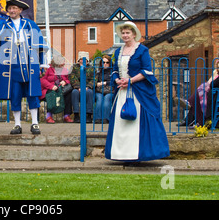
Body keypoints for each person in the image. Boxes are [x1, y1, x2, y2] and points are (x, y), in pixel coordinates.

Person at [105, 21, 170, 162]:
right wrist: (117, 80)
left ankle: (139, 154)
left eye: (128, 32)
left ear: (134, 34)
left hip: (138, 91)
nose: (125, 35)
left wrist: (130, 81)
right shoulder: (118, 52)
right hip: (122, 91)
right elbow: (115, 70)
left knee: (136, 122)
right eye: (123, 33)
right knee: (121, 121)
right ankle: (120, 154)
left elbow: (147, 71)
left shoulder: (142, 50)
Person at [0, 0, 49, 135]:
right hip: (11, 67)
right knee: (15, 94)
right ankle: (17, 124)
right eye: (9, 8)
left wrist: (42, 63)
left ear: (20, 10)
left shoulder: (30, 24)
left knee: (33, 94)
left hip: (30, 64)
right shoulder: (2, 25)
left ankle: (35, 123)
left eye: (14, 8)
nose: (11, 11)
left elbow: (40, 46)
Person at [173, 59, 219, 127]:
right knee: (197, 98)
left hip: (214, 93)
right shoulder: (215, 73)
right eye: (218, 67)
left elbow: (212, 84)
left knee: (197, 99)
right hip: (209, 91)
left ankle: (189, 117)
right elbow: (209, 82)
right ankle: (188, 119)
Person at [40, 54, 73, 123]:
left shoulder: (64, 70)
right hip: (50, 89)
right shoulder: (49, 70)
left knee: (69, 94)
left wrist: (65, 81)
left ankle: (66, 115)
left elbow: (68, 80)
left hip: (61, 89)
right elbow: (42, 80)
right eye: (61, 64)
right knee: (52, 95)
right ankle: (48, 116)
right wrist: (51, 86)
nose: (63, 65)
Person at [69, 51, 94, 123]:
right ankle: (76, 115)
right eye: (81, 59)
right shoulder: (74, 67)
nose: (82, 61)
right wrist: (78, 87)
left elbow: (94, 79)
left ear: (87, 61)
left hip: (87, 88)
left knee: (89, 92)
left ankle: (89, 115)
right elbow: (72, 78)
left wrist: (87, 87)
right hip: (78, 88)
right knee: (74, 92)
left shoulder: (91, 68)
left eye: (84, 60)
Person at [94, 54, 113, 124]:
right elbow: (94, 82)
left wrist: (104, 83)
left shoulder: (113, 72)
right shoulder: (98, 73)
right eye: (103, 62)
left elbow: (114, 82)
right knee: (99, 100)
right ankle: (98, 118)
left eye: (107, 62)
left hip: (110, 91)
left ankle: (106, 118)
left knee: (107, 100)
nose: (105, 64)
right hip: (99, 91)